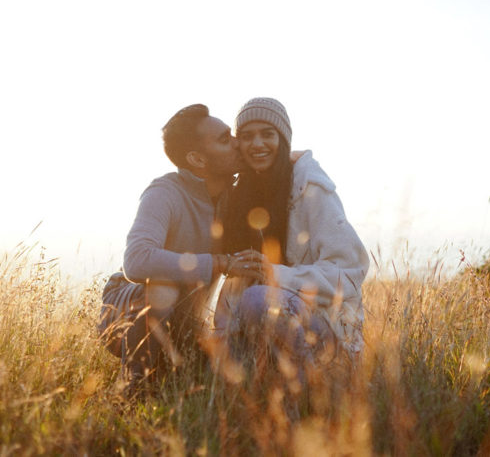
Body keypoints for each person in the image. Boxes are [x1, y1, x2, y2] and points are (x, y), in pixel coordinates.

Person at [97, 104, 263, 386]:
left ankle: (168, 376)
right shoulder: (164, 192)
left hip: (187, 320)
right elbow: (137, 259)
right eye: (225, 140)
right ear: (197, 159)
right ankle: (134, 390)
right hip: (128, 310)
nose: (238, 144)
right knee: (163, 288)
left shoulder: (235, 198)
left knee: (207, 379)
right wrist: (220, 263)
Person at [216, 97, 369, 370]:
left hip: (329, 324)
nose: (258, 144)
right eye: (248, 136)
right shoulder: (243, 195)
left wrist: (275, 274)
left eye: (267, 134)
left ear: (283, 138)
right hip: (272, 324)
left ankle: (308, 391)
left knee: (256, 299)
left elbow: (350, 272)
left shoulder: (311, 187)